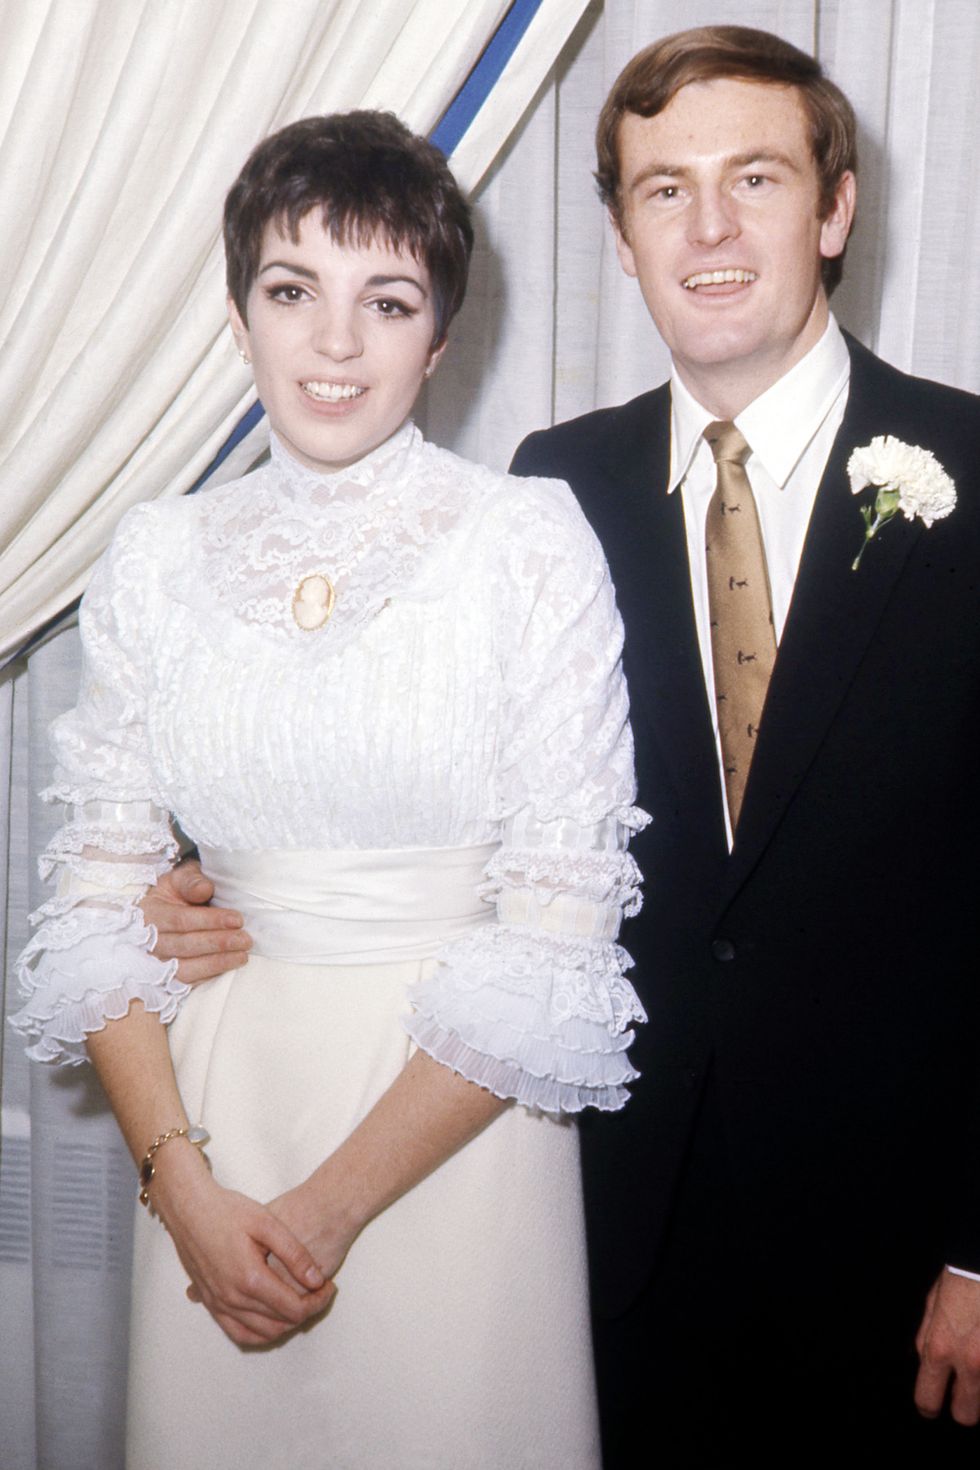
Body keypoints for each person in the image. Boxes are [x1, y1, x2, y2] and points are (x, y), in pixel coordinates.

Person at [11, 112, 647, 1470]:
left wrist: (327, 1211)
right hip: (212, 1124)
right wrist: (182, 1188)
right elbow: (95, 907)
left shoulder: (525, 541)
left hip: (457, 1134)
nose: (336, 343)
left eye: (388, 298)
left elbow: (561, 935)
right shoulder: (156, 553)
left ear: (440, 332)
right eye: (294, 290)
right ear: (240, 318)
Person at [510, 25, 980, 1465]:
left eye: (755, 178)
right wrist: (210, 886)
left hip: (907, 1273)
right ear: (621, 234)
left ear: (835, 209)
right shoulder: (550, 489)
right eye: (664, 191)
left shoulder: (976, 469)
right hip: (612, 1244)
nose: (708, 228)